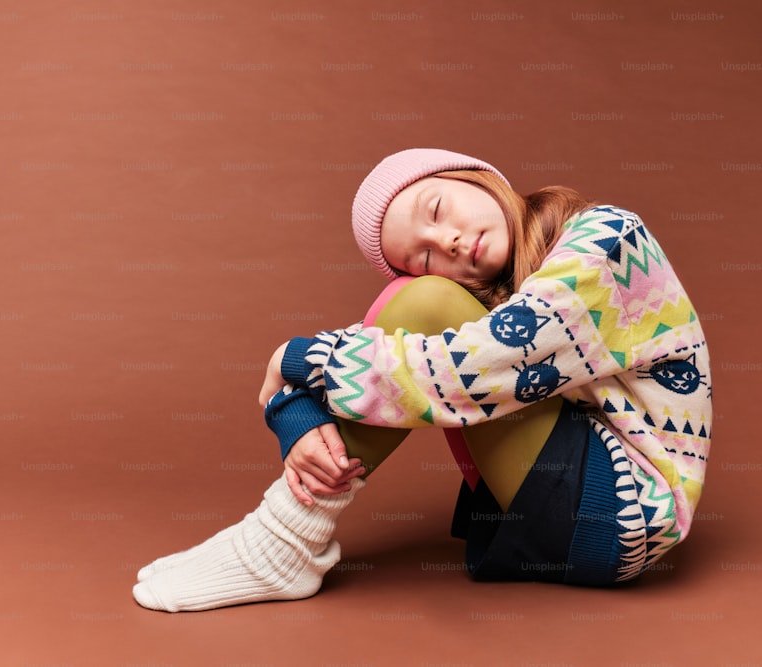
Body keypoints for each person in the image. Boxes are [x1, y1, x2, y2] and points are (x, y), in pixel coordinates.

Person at [132, 148, 712, 612]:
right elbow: (432, 362)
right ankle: (281, 539)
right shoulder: (494, 301)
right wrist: (295, 411)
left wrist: (296, 359)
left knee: (426, 308)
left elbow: (475, 363)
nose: (450, 242)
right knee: (412, 307)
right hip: (573, 503)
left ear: (478, 178)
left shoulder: (609, 238)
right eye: (426, 255)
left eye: (437, 210)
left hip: (622, 511)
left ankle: (282, 541)